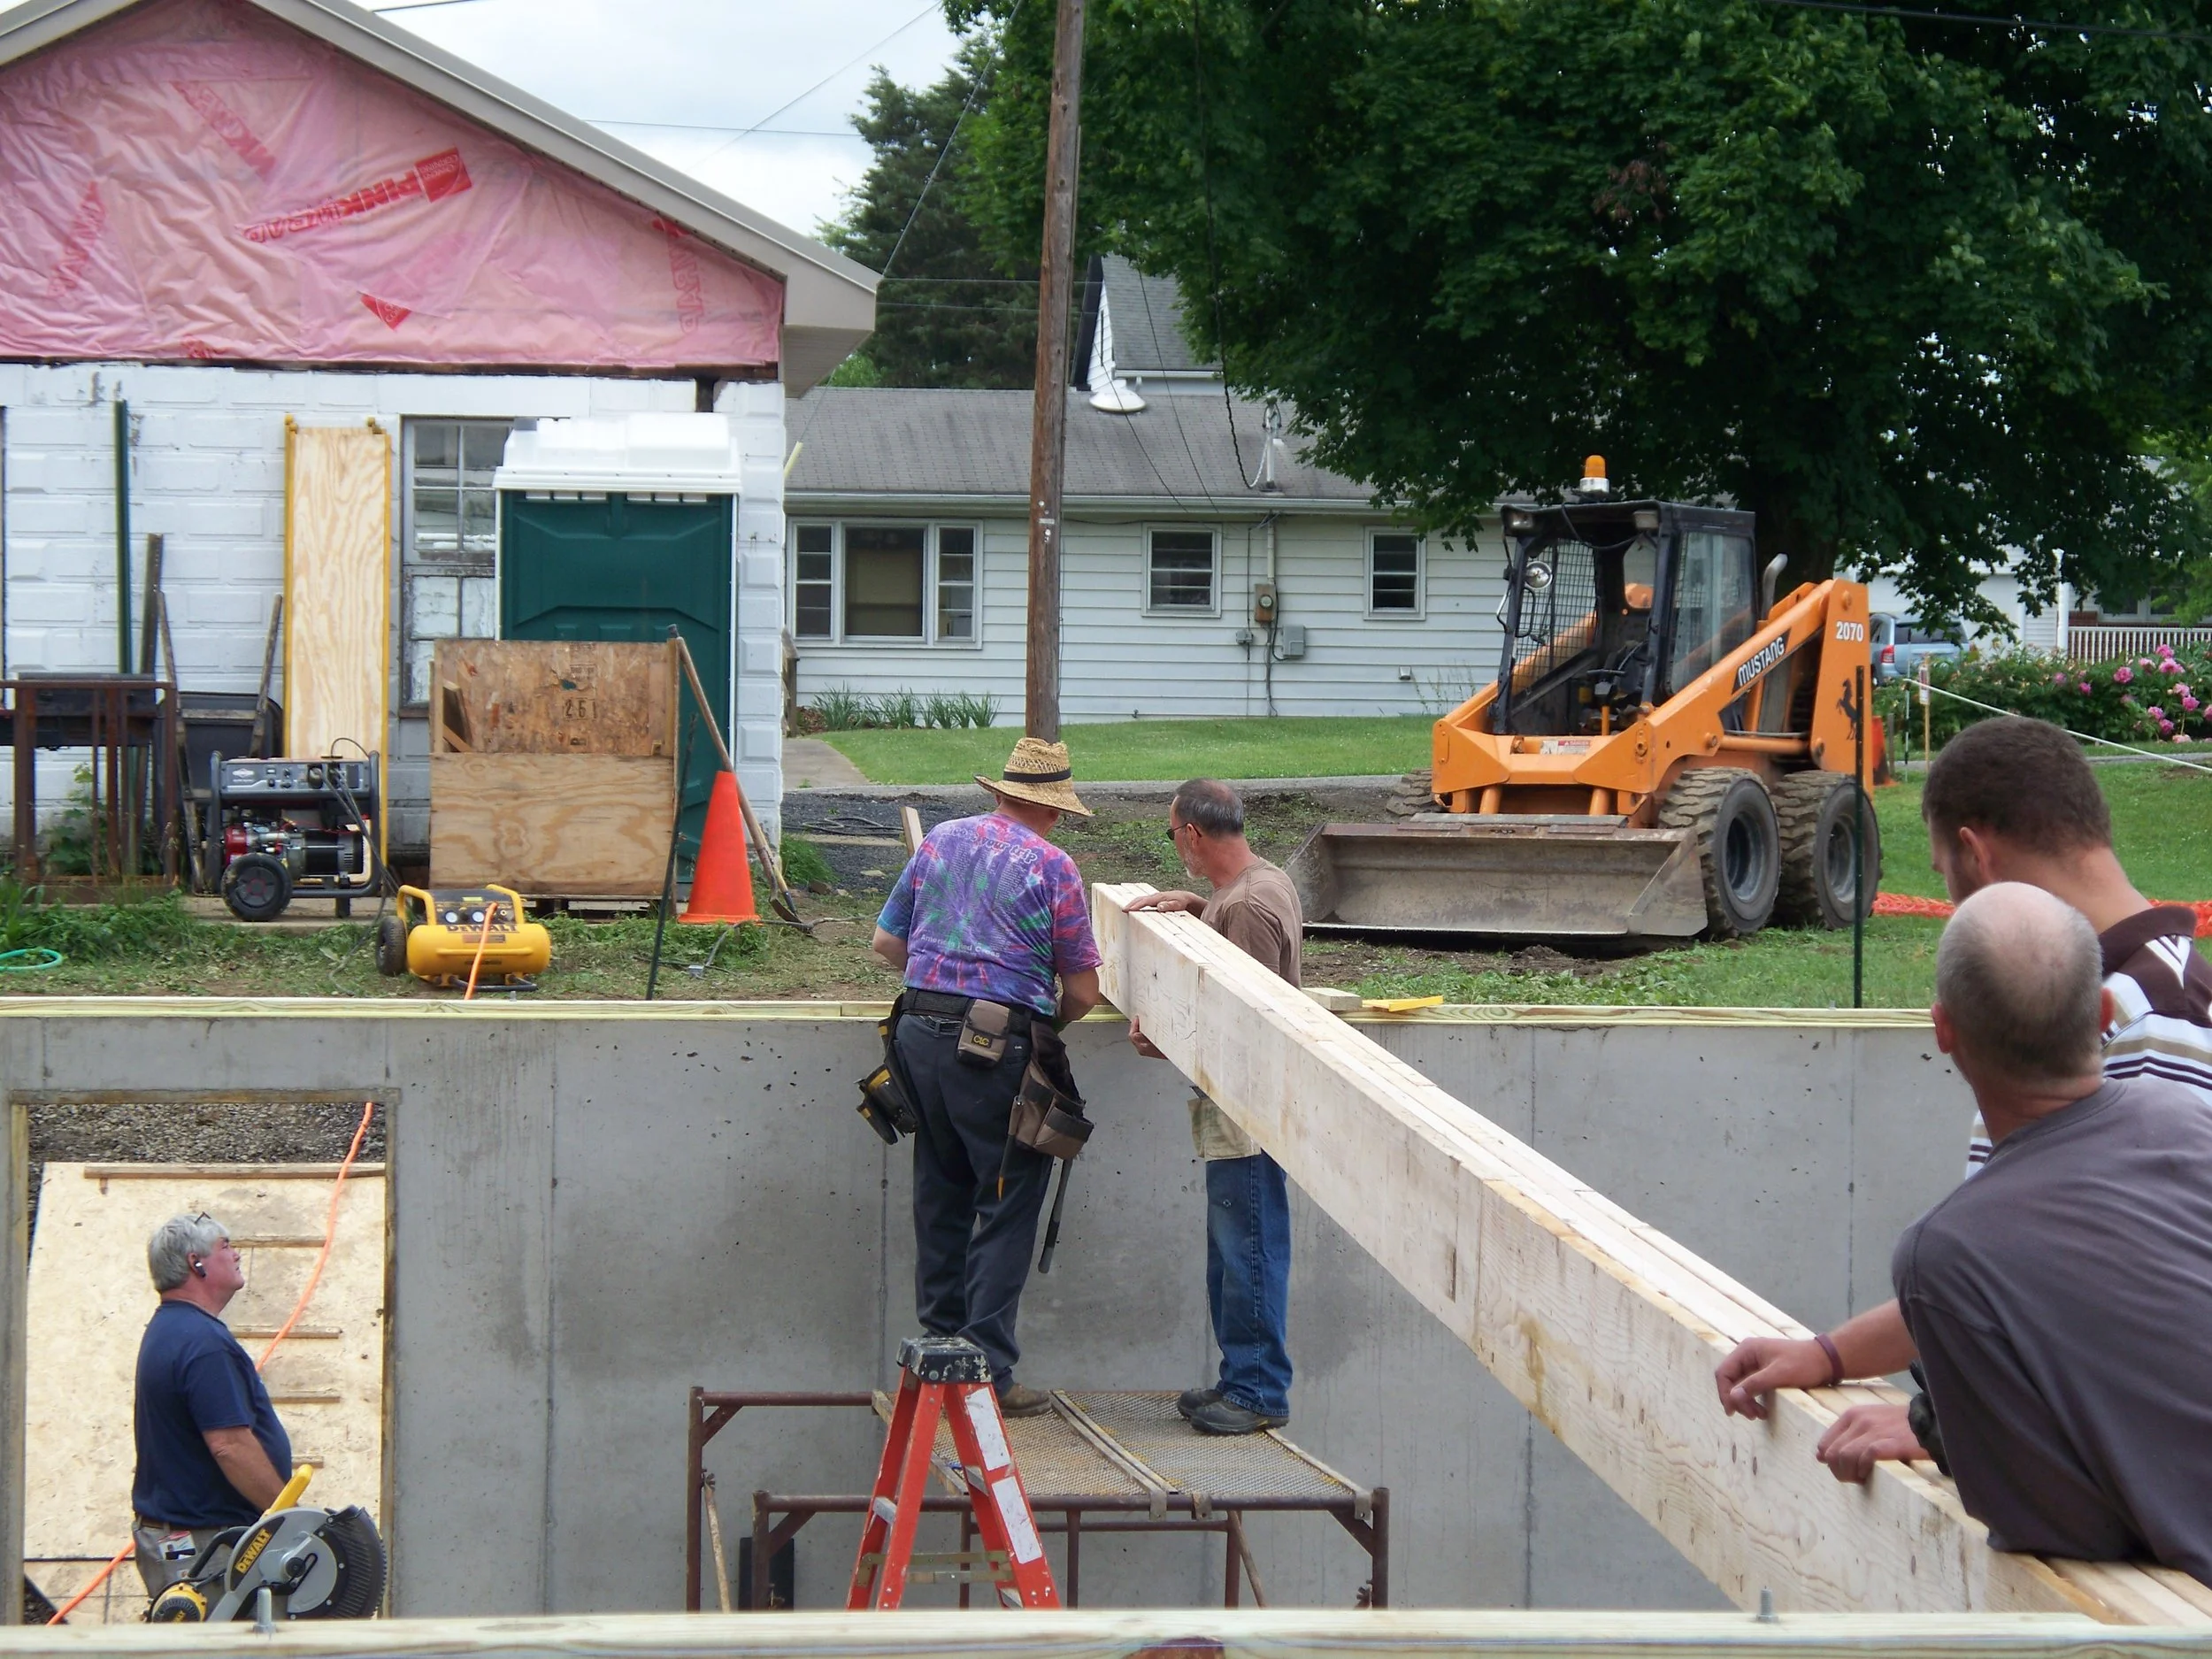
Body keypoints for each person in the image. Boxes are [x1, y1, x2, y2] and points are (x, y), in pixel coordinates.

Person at [1716, 716, 2212, 1479]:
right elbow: (2023, 1266)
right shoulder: (2108, 996)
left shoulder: (2155, 1018)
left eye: (1947, 873)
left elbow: (2127, 1304)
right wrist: (1832, 1353)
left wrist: (1945, 1427)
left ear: (1977, 855)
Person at [1885, 883, 2212, 1578]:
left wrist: (1954, 1439)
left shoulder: (1945, 1256)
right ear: (2100, 1010)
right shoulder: (2194, 1121)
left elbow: (2058, 1523)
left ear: (1944, 1032)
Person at [872, 736, 1102, 1417]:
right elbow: (1084, 991)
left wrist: (942, 986)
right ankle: (989, 1370)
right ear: (1054, 809)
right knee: (1007, 1198)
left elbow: (887, 944)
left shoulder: (941, 840)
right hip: (995, 1046)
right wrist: (1040, 1029)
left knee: (940, 1187)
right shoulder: (1053, 865)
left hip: (916, 1034)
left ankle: (940, 1348)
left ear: (999, 792)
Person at [1124, 779, 1303, 1435]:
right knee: (1233, 1245)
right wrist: (1204, 906)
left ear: (1194, 833)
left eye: (1174, 837)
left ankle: (1258, 1390)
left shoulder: (1249, 905)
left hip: (1246, 1103)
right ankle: (1241, 1379)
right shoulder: (1255, 886)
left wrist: (1163, 1044)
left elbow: (1243, 1024)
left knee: (1248, 1244)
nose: (1177, 850)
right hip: (1239, 1099)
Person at [132, 1213, 294, 1595]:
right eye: (225, 1246)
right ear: (196, 1263)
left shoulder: (172, 1330)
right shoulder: (202, 1343)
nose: (237, 1254)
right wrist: (287, 1516)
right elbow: (229, 1446)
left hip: (190, 1540)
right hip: (205, 1546)